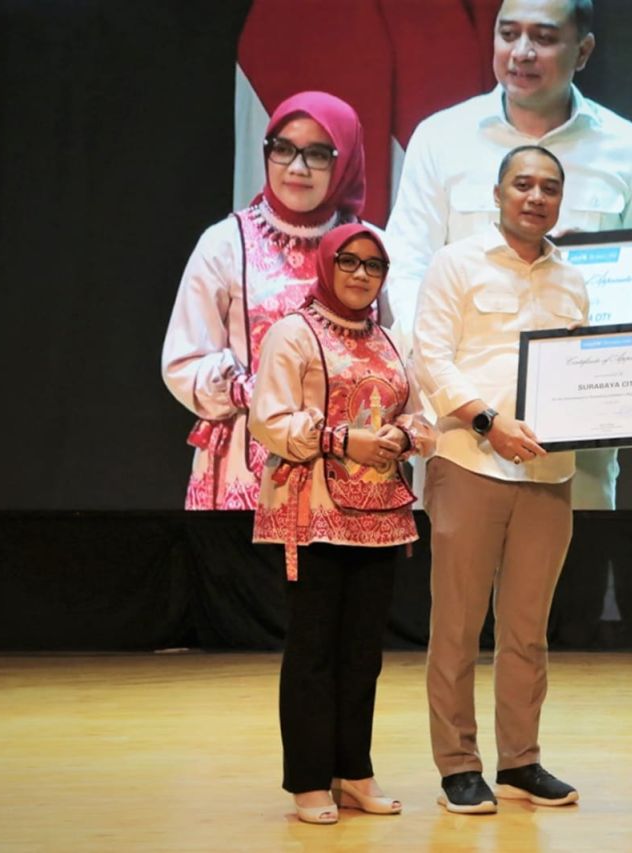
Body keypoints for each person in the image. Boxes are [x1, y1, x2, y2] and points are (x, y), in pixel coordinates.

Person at [384, 0, 632, 512]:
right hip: (465, 429)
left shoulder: (628, 148)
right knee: (457, 565)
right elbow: (407, 268)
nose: (522, 52)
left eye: (543, 37)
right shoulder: (442, 138)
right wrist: (437, 383)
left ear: (584, 51)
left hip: (581, 429)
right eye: (508, 33)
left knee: (576, 561)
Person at [412, 145, 587, 814]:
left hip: (548, 470)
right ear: (497, 192)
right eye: (523, 184)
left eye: (549, 187)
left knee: (527, 628)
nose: (536, 197)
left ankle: (520, 760)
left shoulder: (572, 279)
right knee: (457, 625)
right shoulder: (455, 263)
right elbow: (430, 358)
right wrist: (489, 422)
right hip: (469, 460)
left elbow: (585, 369)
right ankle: (458, 764)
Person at [250, 224, 434, 824]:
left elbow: (421, 415)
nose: (360, 274)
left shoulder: (389, 339)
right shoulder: (293, 332)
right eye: (349, 262)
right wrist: (341, 439)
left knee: (362, 652)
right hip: (314, 512)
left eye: (373, 265)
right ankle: (309, 779)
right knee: (314, 651)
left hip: (380, 515)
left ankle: (353, 771)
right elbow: (268, 420)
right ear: (327, 266)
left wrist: (403, 435)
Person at [163, 91, 368, 510]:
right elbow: (182, 361)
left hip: (345, 466)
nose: (297, 167)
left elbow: (395, 357)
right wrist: (247, 390)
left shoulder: (369, 248)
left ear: (344, 161)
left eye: (317, 154)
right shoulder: (225, 243)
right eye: (284, 149)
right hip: (245, 468)